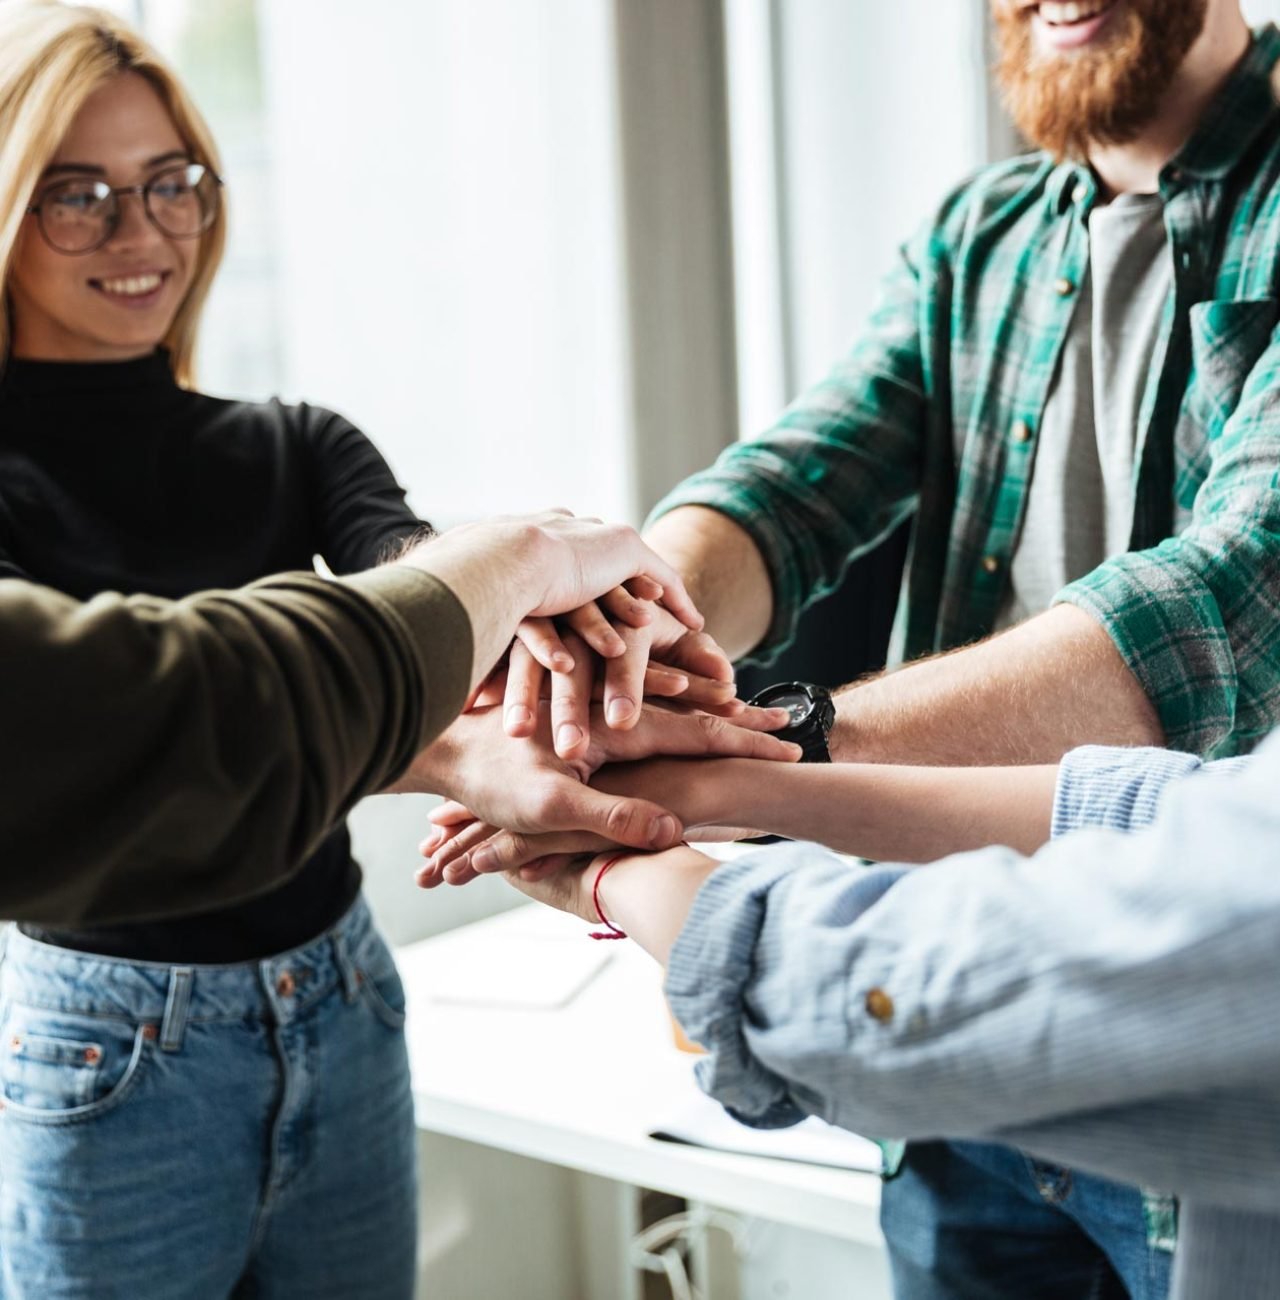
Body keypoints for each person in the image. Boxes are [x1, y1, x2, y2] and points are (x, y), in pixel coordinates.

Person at [445, 0, 1280, 1292]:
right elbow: (793, 487)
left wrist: (759, 748)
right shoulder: (981, 234)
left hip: (1185, 1040)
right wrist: (625, 635)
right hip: (952, 1027)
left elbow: (1212, 611)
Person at [0, 7, 794, 1297]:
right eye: (75, 195)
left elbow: (420, 585)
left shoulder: (294, 440)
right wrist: (505, 620)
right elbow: (140, 738)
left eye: (171, 186)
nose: (140, 233)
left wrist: (585, 643)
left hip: (342, 996)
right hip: (108, 1040)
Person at [497, 737, 1280, 1300]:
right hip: (961, 1149)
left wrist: (628, 874)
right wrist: (715, 789)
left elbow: (887, 994)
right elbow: (1180, 803)